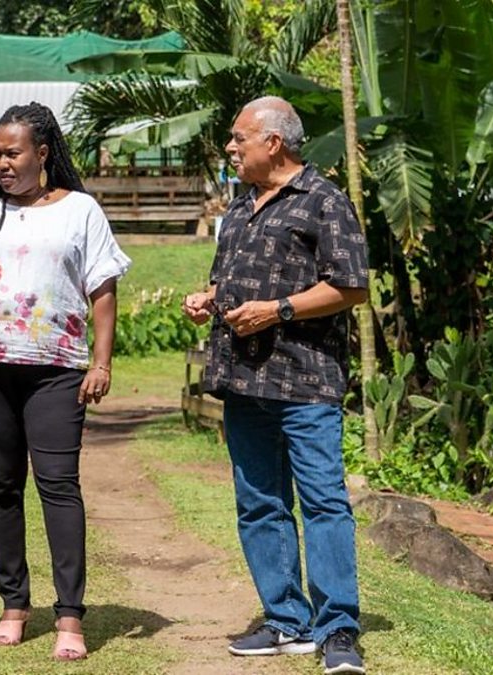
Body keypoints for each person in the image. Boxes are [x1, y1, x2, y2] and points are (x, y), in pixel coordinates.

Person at [0, 102, 130, 661]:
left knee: (58, 483)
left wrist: (102, 363)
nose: (1, 163)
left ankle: (69, 616)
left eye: (12, 152)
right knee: (0, 485)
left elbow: (103, 291)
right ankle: (14, 605)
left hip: (57, 370)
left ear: (42, 153)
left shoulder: (80, 211)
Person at [182, 96, 369, 675]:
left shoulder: (325, 201)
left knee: (323, 503)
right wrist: (210, 298)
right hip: (242, 380)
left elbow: (352, 287)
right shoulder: (239, 209)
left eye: (240, 139)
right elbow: (231, 279)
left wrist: (278, 310)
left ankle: (338, 629)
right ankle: (286, 620)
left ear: (274, 143)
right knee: (260, 504)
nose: (231, 149)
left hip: (306, 382)